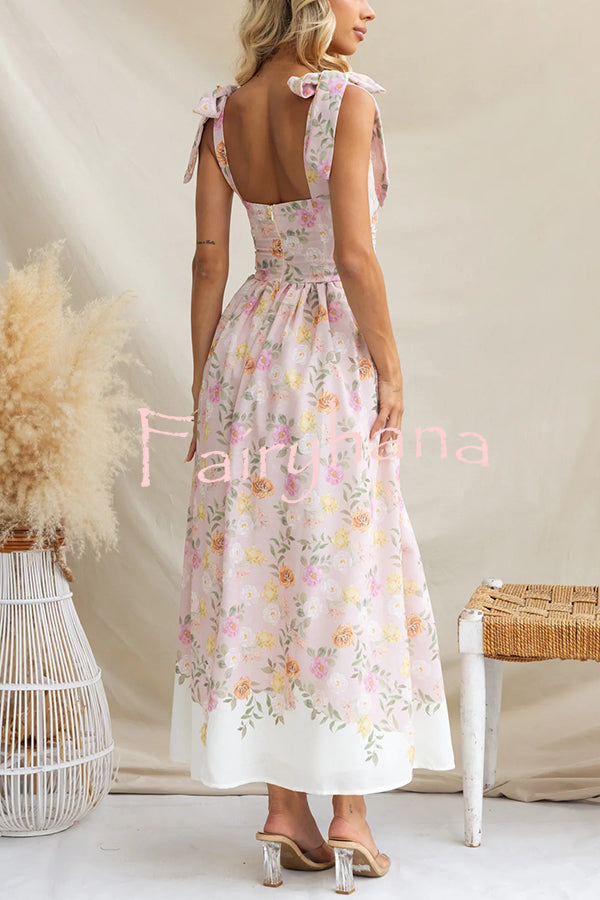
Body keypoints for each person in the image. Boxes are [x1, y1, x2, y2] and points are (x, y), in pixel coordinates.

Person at [169, 0, 455, 890]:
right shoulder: (344, 99)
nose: (370, 10)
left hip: (247, 351)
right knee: (340, 565)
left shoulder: (223, 113)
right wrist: (391, 369)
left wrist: (204, 386)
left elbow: (209, 262)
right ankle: (350, 817)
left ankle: (283, 810)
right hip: (327, 350)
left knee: (264, 567)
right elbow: (355, 258)